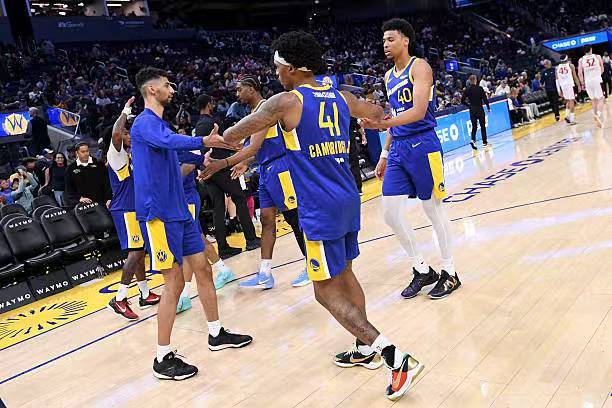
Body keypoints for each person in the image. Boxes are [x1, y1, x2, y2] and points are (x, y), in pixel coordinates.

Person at [218, 31, 424, 402]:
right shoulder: (341, 96)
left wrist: (216, 139)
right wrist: (372, 123)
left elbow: (234, 135)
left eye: (279, 67)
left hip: (318, 207)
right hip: (348, 197)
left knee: (324, 291)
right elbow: (378, 113)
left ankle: (394, 356)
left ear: (295, 68)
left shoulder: (285, 101)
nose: (276, 74)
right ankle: (363, 348)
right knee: (345, 273)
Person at [130, 67, 252, 381]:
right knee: (173, 283)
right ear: (152, 89)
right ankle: (162, 358)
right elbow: (170, 142)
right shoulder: (144, 123)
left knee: (203, 269)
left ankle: (216, 333)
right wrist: (202, 140)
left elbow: (175, 153)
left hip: (179, 211)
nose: (172, 88)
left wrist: (205, 157)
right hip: (158, 215)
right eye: (166, 84)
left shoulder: (161, 125)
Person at [360, 19, 462, 303]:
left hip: (423, 145)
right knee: (390, 213)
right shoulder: (388, 76)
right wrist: (383, 154)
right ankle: (422, 269)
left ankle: (450, 271)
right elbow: (396, 116)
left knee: (433, 209)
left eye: (390, 39)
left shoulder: (420, 67)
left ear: (405, 41)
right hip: (398, 149)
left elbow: (417, 111)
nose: (385, 44)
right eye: (383, 40)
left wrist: (383, 124)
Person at [202, 75, 310, 289]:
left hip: (281, 167)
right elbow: (256, 148)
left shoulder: (267, 109)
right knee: (267, 220)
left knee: (295, 218)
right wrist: (246, 162)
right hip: (266, 169)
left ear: (251, 88)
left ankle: (312, 264)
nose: (237, 94)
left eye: (239, 89)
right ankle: (265, 273)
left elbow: (253, 147)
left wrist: (222, 163)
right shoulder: (254, 113)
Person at [105, 97, 161, 321]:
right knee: (136, 251)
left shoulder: (128, 156)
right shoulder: (115, 154)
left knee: (139, 250)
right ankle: (119, 298)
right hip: (124, 209)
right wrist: (125, 111)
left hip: (133, 207)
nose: (129, 135)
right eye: (126, 133)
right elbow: (116, 133)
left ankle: (145, 293)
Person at [195, 94, 261, 259]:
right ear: (209, 103)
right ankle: (251, 239)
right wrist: (235, 147)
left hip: (207, 168)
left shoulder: (198, 125)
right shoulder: (212, 122)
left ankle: (223, 248)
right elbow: (223, 141)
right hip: (220, 166)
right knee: (240, 198)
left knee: (218, 207)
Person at [175, 150, 238, 314]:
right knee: (198, 239)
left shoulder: (183, 146)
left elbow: (191, 164)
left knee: (188, 247)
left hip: (186, 198)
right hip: (180, 199)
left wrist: (170, 179)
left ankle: (184, 296)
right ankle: (224, 271)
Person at [64, 142, 112, 207]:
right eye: (83, 152)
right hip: (84, 205)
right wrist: (79, 198)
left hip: (102, 202)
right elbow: (69, 189)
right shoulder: (70, 169)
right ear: (77, 153)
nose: (86, 154)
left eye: (87, 151)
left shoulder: (98, 164)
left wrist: (109, 198)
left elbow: (107, 182)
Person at [461, 74, 491, 150]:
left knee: (474, 126)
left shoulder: (467, 90)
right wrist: (488, 107)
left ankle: (473, 140)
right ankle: (484, 142)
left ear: (470, 81)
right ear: (475, 80)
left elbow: (462, 101)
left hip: (472, 110)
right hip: (479, 109)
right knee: (482, 126)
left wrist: (469, 106)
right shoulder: (480, 88)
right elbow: (485, 99)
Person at [578, 46, 605, 127]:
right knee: (601, 99)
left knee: (593, 100)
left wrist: (582, 83)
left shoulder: (581, 59)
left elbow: (580, 73)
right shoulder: (597, 56)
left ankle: (596, 117)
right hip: (596, 80)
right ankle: (598, 115)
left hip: (588, 81)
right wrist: (597, 75)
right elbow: (602, 69)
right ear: (591, 49)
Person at [555, 55, 579, 125]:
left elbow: (557, 80)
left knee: (568, 101)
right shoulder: (570, 66)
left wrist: (559, 90)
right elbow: (575, 77)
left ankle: (567, 116)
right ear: (567, 59)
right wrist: (579, 85)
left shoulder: (557, 68)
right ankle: (572, 120)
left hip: (562, 86)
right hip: (569, 85)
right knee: (571, 101)